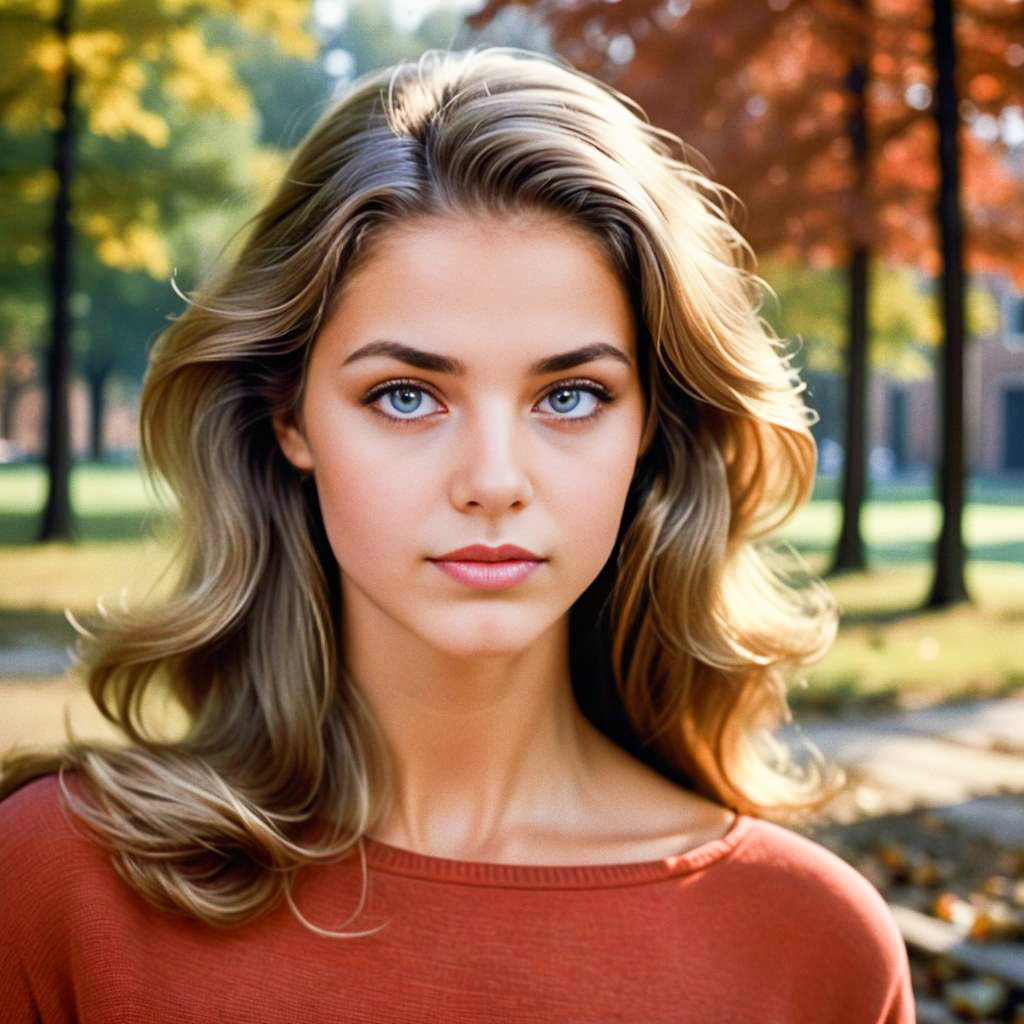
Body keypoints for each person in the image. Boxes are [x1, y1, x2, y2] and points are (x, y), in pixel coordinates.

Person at [0, 46, 914, 1022]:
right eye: (405, 395)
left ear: (650, 428)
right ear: (290, 417)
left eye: (569, 395)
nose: (491, 482)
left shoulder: (811, 948)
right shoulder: (58, 886)